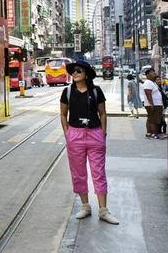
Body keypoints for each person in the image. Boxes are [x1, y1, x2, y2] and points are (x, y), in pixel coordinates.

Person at [60, 60, 119, 225]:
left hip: (95, 135)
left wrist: (103, 133)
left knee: (98, 172)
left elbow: (103, 113)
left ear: (86, 73)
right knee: (78, 173)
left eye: (78, 70)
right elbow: (63, 114)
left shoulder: (96, 91)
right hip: (75, 135)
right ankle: (85, 206)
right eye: (73, 71)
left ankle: (103, 210)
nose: (75, 73)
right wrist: (68, 134)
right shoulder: (67, 92)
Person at [143, 68, 164, 140]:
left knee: (150, 119)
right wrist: (151, 104)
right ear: (147, 75)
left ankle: (149, 133)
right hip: (154, 104)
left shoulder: (152, 82)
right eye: (152, 72)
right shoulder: (148, 82)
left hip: (155, 104)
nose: (154, 73)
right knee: (154, 120)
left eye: (154, 72)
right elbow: (148, 93)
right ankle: (153, 134)